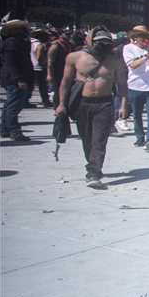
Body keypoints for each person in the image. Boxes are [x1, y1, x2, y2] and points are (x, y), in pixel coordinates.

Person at [55, 28, 128, 189]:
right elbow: (66, 82)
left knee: (99, 141)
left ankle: (94, 172)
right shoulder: (75, 57)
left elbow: (122, 84)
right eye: (100, 42)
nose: (103, 46)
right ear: (91, 42)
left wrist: (123, 105)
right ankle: (92, 163)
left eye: (107, 43)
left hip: (105, 103)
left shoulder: (115, 61)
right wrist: (61, 104)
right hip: (82, 103)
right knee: (87, 139)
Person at [122, 25, 149, 150]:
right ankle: (140, 137)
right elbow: (134, 65)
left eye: (146, 36)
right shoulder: (128, 48)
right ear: (134, 38)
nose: (145, 38)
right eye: (142, 36)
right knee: (137, 114)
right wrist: (148, 55)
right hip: (136, 86)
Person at [0, 19, 35, 141]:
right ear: (14, 30)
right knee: (14, 106)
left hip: (16, 77)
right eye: (22, 29)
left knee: (9, 104)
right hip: (14, 78)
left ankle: (4, 130)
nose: (25, 31)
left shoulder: (21, 42)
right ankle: (14, 131)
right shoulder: (12, 43)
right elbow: (11, 64)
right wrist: (19, 79)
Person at [47, 30, 75, 111]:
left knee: (68, 88)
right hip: (57, 70)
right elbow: (50, 61)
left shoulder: (70, 45)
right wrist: (49, 74)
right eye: (66, 34)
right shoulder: (55, 46)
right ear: (60, 34)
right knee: (58, 89)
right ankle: (57, 107)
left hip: (68, 70)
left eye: (70, 34)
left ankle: (65, 105)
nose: (68, 36)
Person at [29, 28, 52, 108]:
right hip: (38, 67)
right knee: (42, 86)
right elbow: (39, 57)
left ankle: (26, 100)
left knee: (30, 85)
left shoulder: (29, 42)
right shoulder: (39, 45)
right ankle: (45, 101)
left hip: (30, 66)